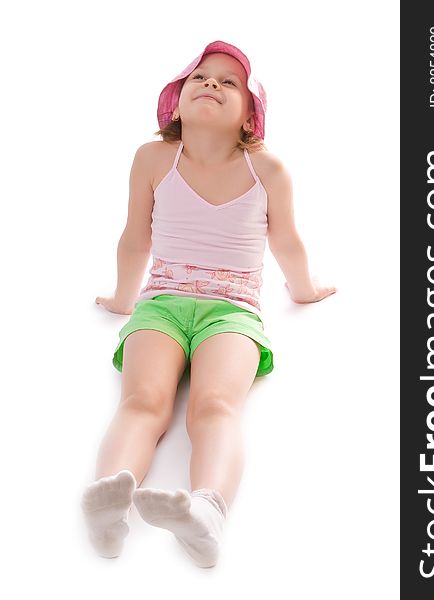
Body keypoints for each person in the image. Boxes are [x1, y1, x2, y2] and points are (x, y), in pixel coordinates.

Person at [80, 40, 336, 568]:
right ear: (177, 100)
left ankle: (206, 513)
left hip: (232, 312)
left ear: (249, 117)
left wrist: (304, 289)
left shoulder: (268, 170)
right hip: (162, 306)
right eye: (200, 77)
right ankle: (108, 506)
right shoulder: (153, 158)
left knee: (215, 406)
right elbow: (135, 238)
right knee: (143, 402)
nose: (211, 84)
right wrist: (124, 301)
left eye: (229, 82)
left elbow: (286, 241)